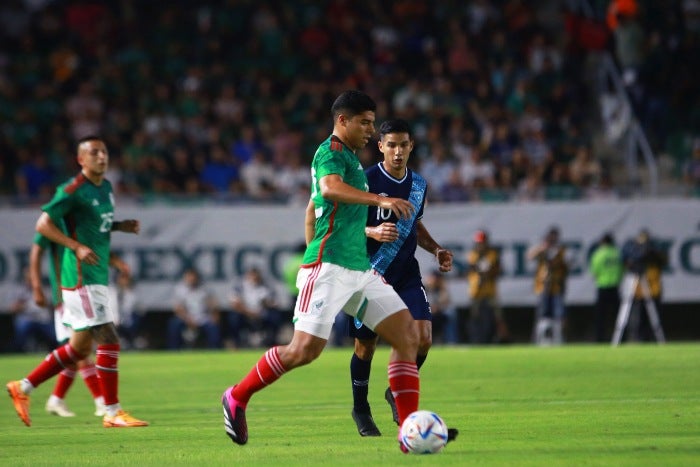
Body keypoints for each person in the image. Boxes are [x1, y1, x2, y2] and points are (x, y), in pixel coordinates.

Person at [221, 90, 424, 453]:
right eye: (364, 122)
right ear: (342, 121)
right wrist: (377, 201)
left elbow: (311, 207)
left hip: (359, 270)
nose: (371, 130)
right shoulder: (329, 153)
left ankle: (408, 433)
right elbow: (328, 190)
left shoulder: (349, 159)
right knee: (304, 351)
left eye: (373, 122)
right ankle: (236, 396)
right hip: (329, 268)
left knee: (408, 336)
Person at [6, 135, 148, 428]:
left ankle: (23, 387)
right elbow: (42, 224)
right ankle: (112, 411)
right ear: (80, 159)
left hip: (96, 276)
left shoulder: (106, 188)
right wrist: (75, 246)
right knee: (108, 337)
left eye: (105, 151)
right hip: (80, 279)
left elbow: (99, 227)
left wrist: (121, 226)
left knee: (78, 350)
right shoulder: (72, 190)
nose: (101, 156)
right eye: (94, 152)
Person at [344, 119, 455, 439]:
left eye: (403, 145)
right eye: (390, 145)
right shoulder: (363, 182)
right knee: (366, 347)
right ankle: (361, 409)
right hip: (370, 273)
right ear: (380, 146)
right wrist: (372, 231)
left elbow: (415, 225)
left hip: (406, 274)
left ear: (410, 147)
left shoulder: (418, 185)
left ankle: (396, 391)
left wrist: (435, 249)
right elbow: (343, 228)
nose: (397, 151)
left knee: (423, 338)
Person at [29, 230, 124, 418]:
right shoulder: (56, 221)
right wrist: (37, 287)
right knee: (80, 351)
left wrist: (119, 228)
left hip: (75, 291)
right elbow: (37, 249)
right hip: (69, 293)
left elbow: (96, 239)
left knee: (78, 352)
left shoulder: (78, 220)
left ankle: (53, 398)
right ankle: (102, 402)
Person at [620, 229, 666, 341]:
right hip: (639, 290)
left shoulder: (654, 252)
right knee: (639, 316)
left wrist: (650, 252)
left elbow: (662, 261)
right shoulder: (633, 250)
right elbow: (627, 262)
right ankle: (639, 338)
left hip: (653, 290)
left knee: (654, 316)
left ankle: (653, 338)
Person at [465, 229, 510, 344]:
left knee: (497, 316)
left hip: (490, 290)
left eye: (482, 242)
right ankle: (476, 339)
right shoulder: (473, 254)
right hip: (476, 291)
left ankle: (502, 339)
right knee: (475, 317)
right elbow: (471, 269)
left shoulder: (492, 254)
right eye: (478, 243)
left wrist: (488, 272)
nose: (480, 245)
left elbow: (497, 270)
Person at [527, 226, 569, 345]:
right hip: (543, 287)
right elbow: (530, 256)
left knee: (559, 316)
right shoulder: (542, 249)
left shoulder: (560, 251)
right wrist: (542, 249)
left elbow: (565, 267)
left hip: (556, 287)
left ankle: (559, 339)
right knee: (542, 315)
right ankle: (539, 340)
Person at [227, 267, 283, 348]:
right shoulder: (240, 286)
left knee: (275, 316)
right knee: (234, 318)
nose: (254, 278)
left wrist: (266, 304)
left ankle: (271, 342)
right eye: (252, 276)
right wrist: (248, 312)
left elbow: (274, 302)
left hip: (262, 313)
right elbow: (234, 303)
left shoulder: (266, 286)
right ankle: (236, 343)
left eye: (256, 276)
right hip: (245, 313)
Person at [167, 267, 221, 350]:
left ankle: (214, 350)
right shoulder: (179, 289)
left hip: (203, 317)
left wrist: (214, 314)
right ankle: (173, 350)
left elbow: (212, 303)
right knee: (174, 324)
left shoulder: (204, 288)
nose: (192, 279)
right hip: (186, 317)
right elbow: (177, 308)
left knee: (213, 327)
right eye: (189, 277)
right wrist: (188, 319)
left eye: (193, 277)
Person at [9, 267, 56, 353]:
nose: (31, 280)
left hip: (43, 319)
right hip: (28, 318)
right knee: (21, 330)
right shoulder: (21, 290)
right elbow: (12, 308)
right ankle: (17, 353)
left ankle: (53, 353)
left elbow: (52, 305)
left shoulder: (45, 288)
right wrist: (23, 306)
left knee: (54, 336)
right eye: (29, 278)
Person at [589, 232, 623, 342]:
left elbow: (594, 272)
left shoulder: (599, 254)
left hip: (602, 286)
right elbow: (623, 269)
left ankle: (600, 339)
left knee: (601, 316)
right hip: (615, 286)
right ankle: (621, 338)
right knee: (618, 315)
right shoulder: (617, 253)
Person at [109, 270, 146, 350]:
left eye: (126, 278)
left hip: (129, 319)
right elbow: (110, 307)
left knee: (135, 320)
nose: (124, 281)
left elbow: (141, 308)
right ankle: (119, 340)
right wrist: (115, 319)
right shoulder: (112, 291)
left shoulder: (134, 293)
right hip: (114, 320)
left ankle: (132, 341)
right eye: (122, 278)